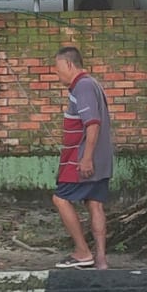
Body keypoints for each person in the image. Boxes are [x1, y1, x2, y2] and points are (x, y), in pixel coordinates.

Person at [50, 46, 113, 270]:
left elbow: (92, 124)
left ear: (69, 65)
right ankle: (101, 259)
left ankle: (83, 252)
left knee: (60, 199)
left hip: (82, 159)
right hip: (102, 159)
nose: (57, 75)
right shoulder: (92, 84)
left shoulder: (83, 86)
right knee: (95, 205)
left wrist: (86, 159)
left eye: (58, 69)